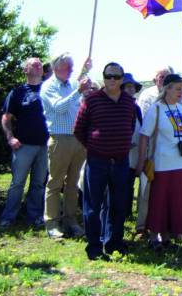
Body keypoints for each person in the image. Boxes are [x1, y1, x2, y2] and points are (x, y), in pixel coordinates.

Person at [74, 62, 138, 260]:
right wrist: (94, 147)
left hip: (120, 161)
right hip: (97, 161)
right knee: (93, 205)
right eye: (109, 76)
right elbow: (78, 129)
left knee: (118, 205)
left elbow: (131, 126)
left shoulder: (129, 103)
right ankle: (94, 247)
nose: (112, 80)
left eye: (117, 77)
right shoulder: (92, 100)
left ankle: (114, 243)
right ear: (103, 77)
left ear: (122, 79)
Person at [137, 74, 182, 249]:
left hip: (181, 162)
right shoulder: (157, 108)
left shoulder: (181, 108)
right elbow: (144, 135)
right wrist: (141, 161)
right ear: (167, 88)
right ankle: (154, 237)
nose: (181, 92)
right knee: (159, 200)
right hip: (162, 164)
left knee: (177, 201)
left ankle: (167, 236)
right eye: (177, 88)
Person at [41, 53, 92, 239]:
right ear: (55, 68)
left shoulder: (71, 84)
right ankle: (52, 223)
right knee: (55, 183)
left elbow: (79, 83)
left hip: (78, 139)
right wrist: (78, 91)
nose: (70, 70)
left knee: (72, 183)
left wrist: (86, 69)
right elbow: (59, 107)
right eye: (67, 67)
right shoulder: (48, 87)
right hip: (60, 139)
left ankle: (70, 220)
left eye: (72, 67)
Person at [0, 57, 49, 230]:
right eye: (33, 64)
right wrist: (10, 137)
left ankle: (35, 217)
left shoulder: (49, 90)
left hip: (45, 145)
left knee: (39, 184)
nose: (38, 65)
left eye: (40, 64)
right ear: (25, 70)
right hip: (23, 146)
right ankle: (8, 217)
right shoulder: (18, 92)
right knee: (17, 183)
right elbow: (6, 117)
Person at [120, 73, 145, 234]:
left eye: (133, 87)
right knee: (120, 187)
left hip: (134, 153)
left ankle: (127, 213)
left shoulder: (135, 107)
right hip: (120, 154)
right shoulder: (119, 105)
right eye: (128, 86)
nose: (131, 90)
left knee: (128, 185)